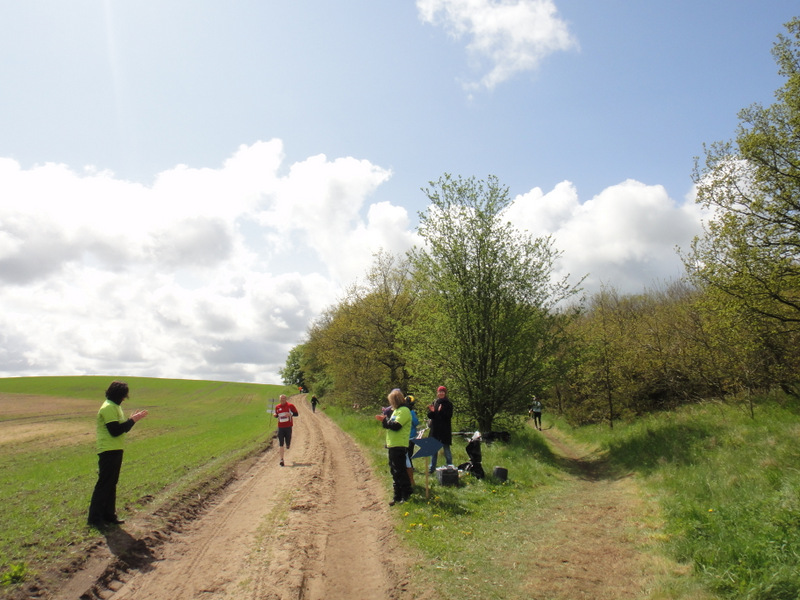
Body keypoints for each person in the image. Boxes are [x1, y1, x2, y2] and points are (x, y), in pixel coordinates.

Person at [88, 381, 148, 529]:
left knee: (111, 483)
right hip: (108, 450)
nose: (124, 399)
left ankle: (109, 516)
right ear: (118, 395)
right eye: (123, 396)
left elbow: (123, 428)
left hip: (116, 449)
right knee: (104, 484)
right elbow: (115, 431)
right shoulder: (108, 407)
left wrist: (132, 420)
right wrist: (133, 420)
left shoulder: (116, 407)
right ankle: (95, 519)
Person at [376, 389, 412, 505]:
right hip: (392, 444)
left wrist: (385, 420)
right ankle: (397, 495)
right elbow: (388, 426)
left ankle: (405, 494)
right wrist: (385, 421)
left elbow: (396, 426)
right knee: (394, 471)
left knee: (400, 471)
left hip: (400, 444)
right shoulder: (396, 411)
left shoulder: (404, 410)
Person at [427, 385, 453, 473]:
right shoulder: (435, 402)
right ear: (437, 393)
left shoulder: (449, 404)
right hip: (435, 430)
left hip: (444, 430)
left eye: (442, 392)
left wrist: (441, 411)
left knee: (446, 451)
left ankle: (450, 467)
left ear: (445, 393)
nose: (441, 393)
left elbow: (449, 416)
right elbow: (430, 416)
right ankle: (431, 468)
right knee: (434, 451)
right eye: (439, 392)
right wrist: (432, 411)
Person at [274, 394, 299, 466]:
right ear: (279, 399)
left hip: (288, 426)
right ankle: (281, 459)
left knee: (288, 440)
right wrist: (275, 415)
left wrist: (290, 414)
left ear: (286, 399)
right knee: (281, 443)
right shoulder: (277, 407)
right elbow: (276, 414)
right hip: (280, 427)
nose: (283, 399)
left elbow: (296, 414)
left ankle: (288, 444)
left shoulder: (290, 406)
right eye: (281, 398)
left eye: (284, 398)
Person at [405, 395, 420, 486]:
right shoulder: (412, 412)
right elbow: (416, 422)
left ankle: (409, 467)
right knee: (409, 453)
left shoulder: (402, 411)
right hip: (411, 436)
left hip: (406, 436)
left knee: (407, 454)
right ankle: (410, 468)